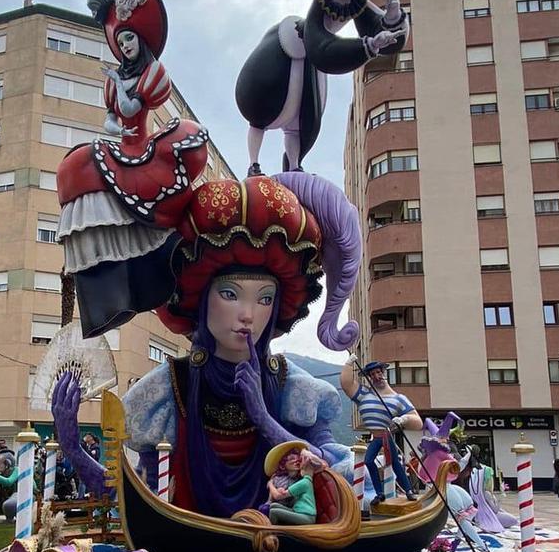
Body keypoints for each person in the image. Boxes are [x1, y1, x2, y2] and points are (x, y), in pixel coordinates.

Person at [53, 173, 363, 518]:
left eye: (264, 299)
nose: (247, 315)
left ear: (277, 308)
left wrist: (262, 416)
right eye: (230, 294)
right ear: (202, 299)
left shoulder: (295, 388)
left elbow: (336, 478)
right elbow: (133, 495)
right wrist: (73, 447)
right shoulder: (170, 388)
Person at [57, 0, 210, 338]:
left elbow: (134, 105)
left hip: (146, 148)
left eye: (130, 41)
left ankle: (162, 261)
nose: (125, 47)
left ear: (140, 41)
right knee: (73, 167)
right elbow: (113, 120)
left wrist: (121, 88)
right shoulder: (116, 78)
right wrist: (115, 97)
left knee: (189, 137)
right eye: (120, 40)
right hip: (121, 145)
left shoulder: (151, 76)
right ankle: (108, 297)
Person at [236, 0, 408, 174]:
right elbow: (321, 45)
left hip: (309, 62)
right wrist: (366, 46)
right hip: (294, 45)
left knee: (298, 125)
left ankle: (294, 167)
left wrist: (392, 17)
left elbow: (380, 29)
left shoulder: (357, 1)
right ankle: (254, 164)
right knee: (260, 115)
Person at [340, 359, 419, 502]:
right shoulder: (364, 393)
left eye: (378, 372)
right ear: (369, 378)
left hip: (386, 435)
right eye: (372, 374)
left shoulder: (399, 399)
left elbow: (418, 422)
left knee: (394, 463)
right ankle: (379, 493)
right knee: (369, 461)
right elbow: (346, 384)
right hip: (375, 437)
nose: (376, 376)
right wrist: (349, 363)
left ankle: (408, 490)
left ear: (383, 373)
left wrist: (404, 419)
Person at [266, 443, 323, 526]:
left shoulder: (303, 482)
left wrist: (304, 451)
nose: (298, 461)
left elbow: (278, 496)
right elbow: (271, 500)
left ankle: (273, 532)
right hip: (296, 510)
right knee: (272, 506)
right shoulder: (278, 478)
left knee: (273, 512)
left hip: (305, 515)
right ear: (283, 465)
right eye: (292, 459)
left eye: (300, 460)